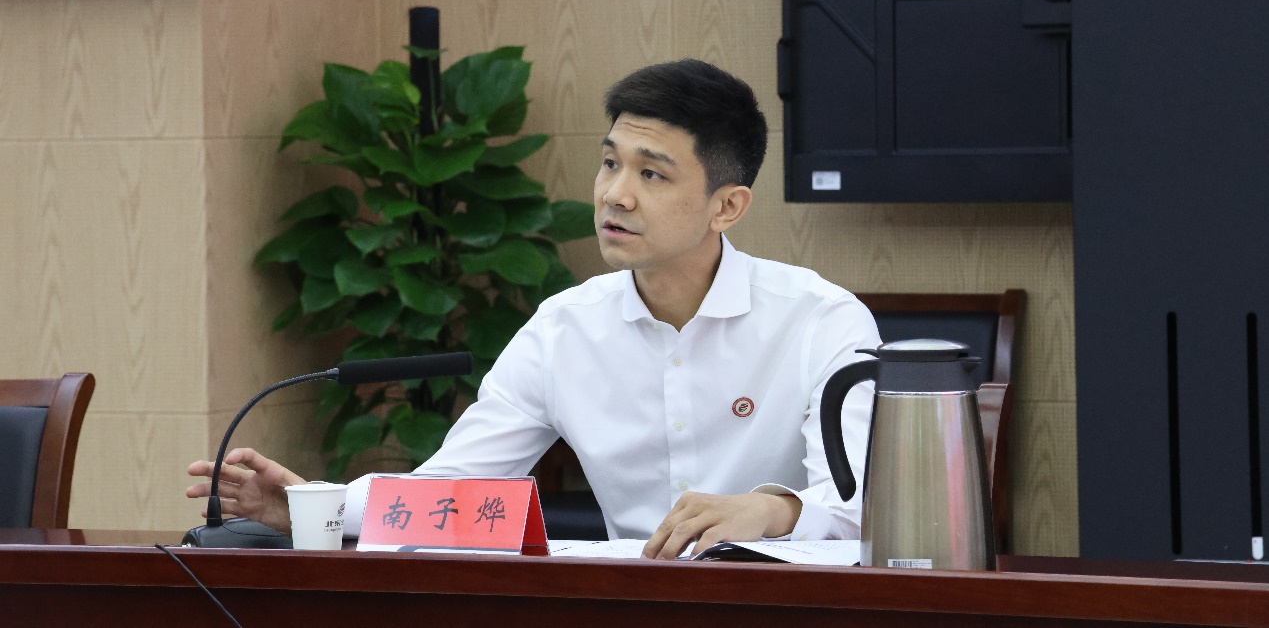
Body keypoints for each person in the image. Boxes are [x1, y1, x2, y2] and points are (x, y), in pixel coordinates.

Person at [188, 59, 879, 559]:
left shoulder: (820, 323)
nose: (614, 195)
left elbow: (861, 515)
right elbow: (453, 489)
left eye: (651, 173)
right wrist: (314, 507)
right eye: (609, 163)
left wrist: (769, 510)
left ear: (726, 206)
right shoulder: (564, 328)